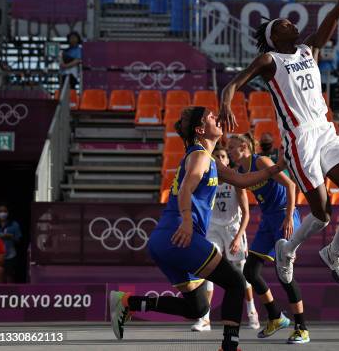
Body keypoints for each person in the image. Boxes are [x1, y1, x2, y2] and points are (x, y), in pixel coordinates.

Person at [218, 0, 339, 286]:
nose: (290, 22)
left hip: (325, 132)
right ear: (275, 37)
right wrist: (226, 102)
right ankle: (288, 249)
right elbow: (233, 83)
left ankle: (334, 251)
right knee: (321, 212)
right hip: (299, 138)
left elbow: (338, 11)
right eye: (283, 24)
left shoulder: (309, 49)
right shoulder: (269, 60)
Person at [108, 107, 286, 351]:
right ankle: (230, 346)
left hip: (164, 240)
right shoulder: (200, 157)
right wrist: (187, 221)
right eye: (212, 117)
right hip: (180, 235)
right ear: (201, 130)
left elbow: (243, 180)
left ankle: (129, 302)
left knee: (198, 308)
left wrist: (278, 167)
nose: (218, 118)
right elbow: (185, 190)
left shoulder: (209, 160)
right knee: (235, 282)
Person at [228, 134, 310, 344]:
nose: (228, 150)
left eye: (232, 147)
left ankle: (302, 328)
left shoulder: (261, 161)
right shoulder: (238, 174)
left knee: (285, 274)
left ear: (244, 147)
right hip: (267, 221)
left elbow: (291, 186)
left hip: (284, 216)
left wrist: (289, 217)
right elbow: (244, 207)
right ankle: (275, 316)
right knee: (250, 271)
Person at [191, 145, 260, 332]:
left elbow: (246, 213)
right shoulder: (207, 181)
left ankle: (252, 312)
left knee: (241, 271)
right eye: (216, 157)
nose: (220, 159)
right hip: (213, 229)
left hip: (232, 229)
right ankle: (205, 319)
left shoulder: (235, 181)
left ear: (228, 160)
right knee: (209, 270)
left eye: (223, 156)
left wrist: (238, 238)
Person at [0, 204, 22, 283]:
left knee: (9, 278)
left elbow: (18, 240)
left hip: (10, 256)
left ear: (8, 212)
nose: (2, 213)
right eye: (0, 211)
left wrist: (10, 237)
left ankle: (10, 294)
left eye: (4, 211)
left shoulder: (14, 225)